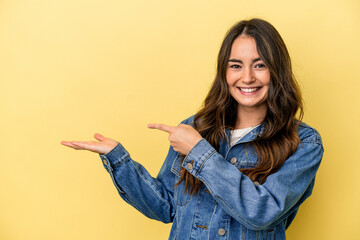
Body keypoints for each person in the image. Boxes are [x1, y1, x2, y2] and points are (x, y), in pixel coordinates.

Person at [61, 18, 324, 239]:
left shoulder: (303, 143)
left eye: (260, 65)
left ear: (276, 70)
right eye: (235, 65)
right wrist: (119, 159)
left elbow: (262, 212)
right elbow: (165, 207)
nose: (247, 77)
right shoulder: (196, 128)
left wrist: (199, 153)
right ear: (224, 72)